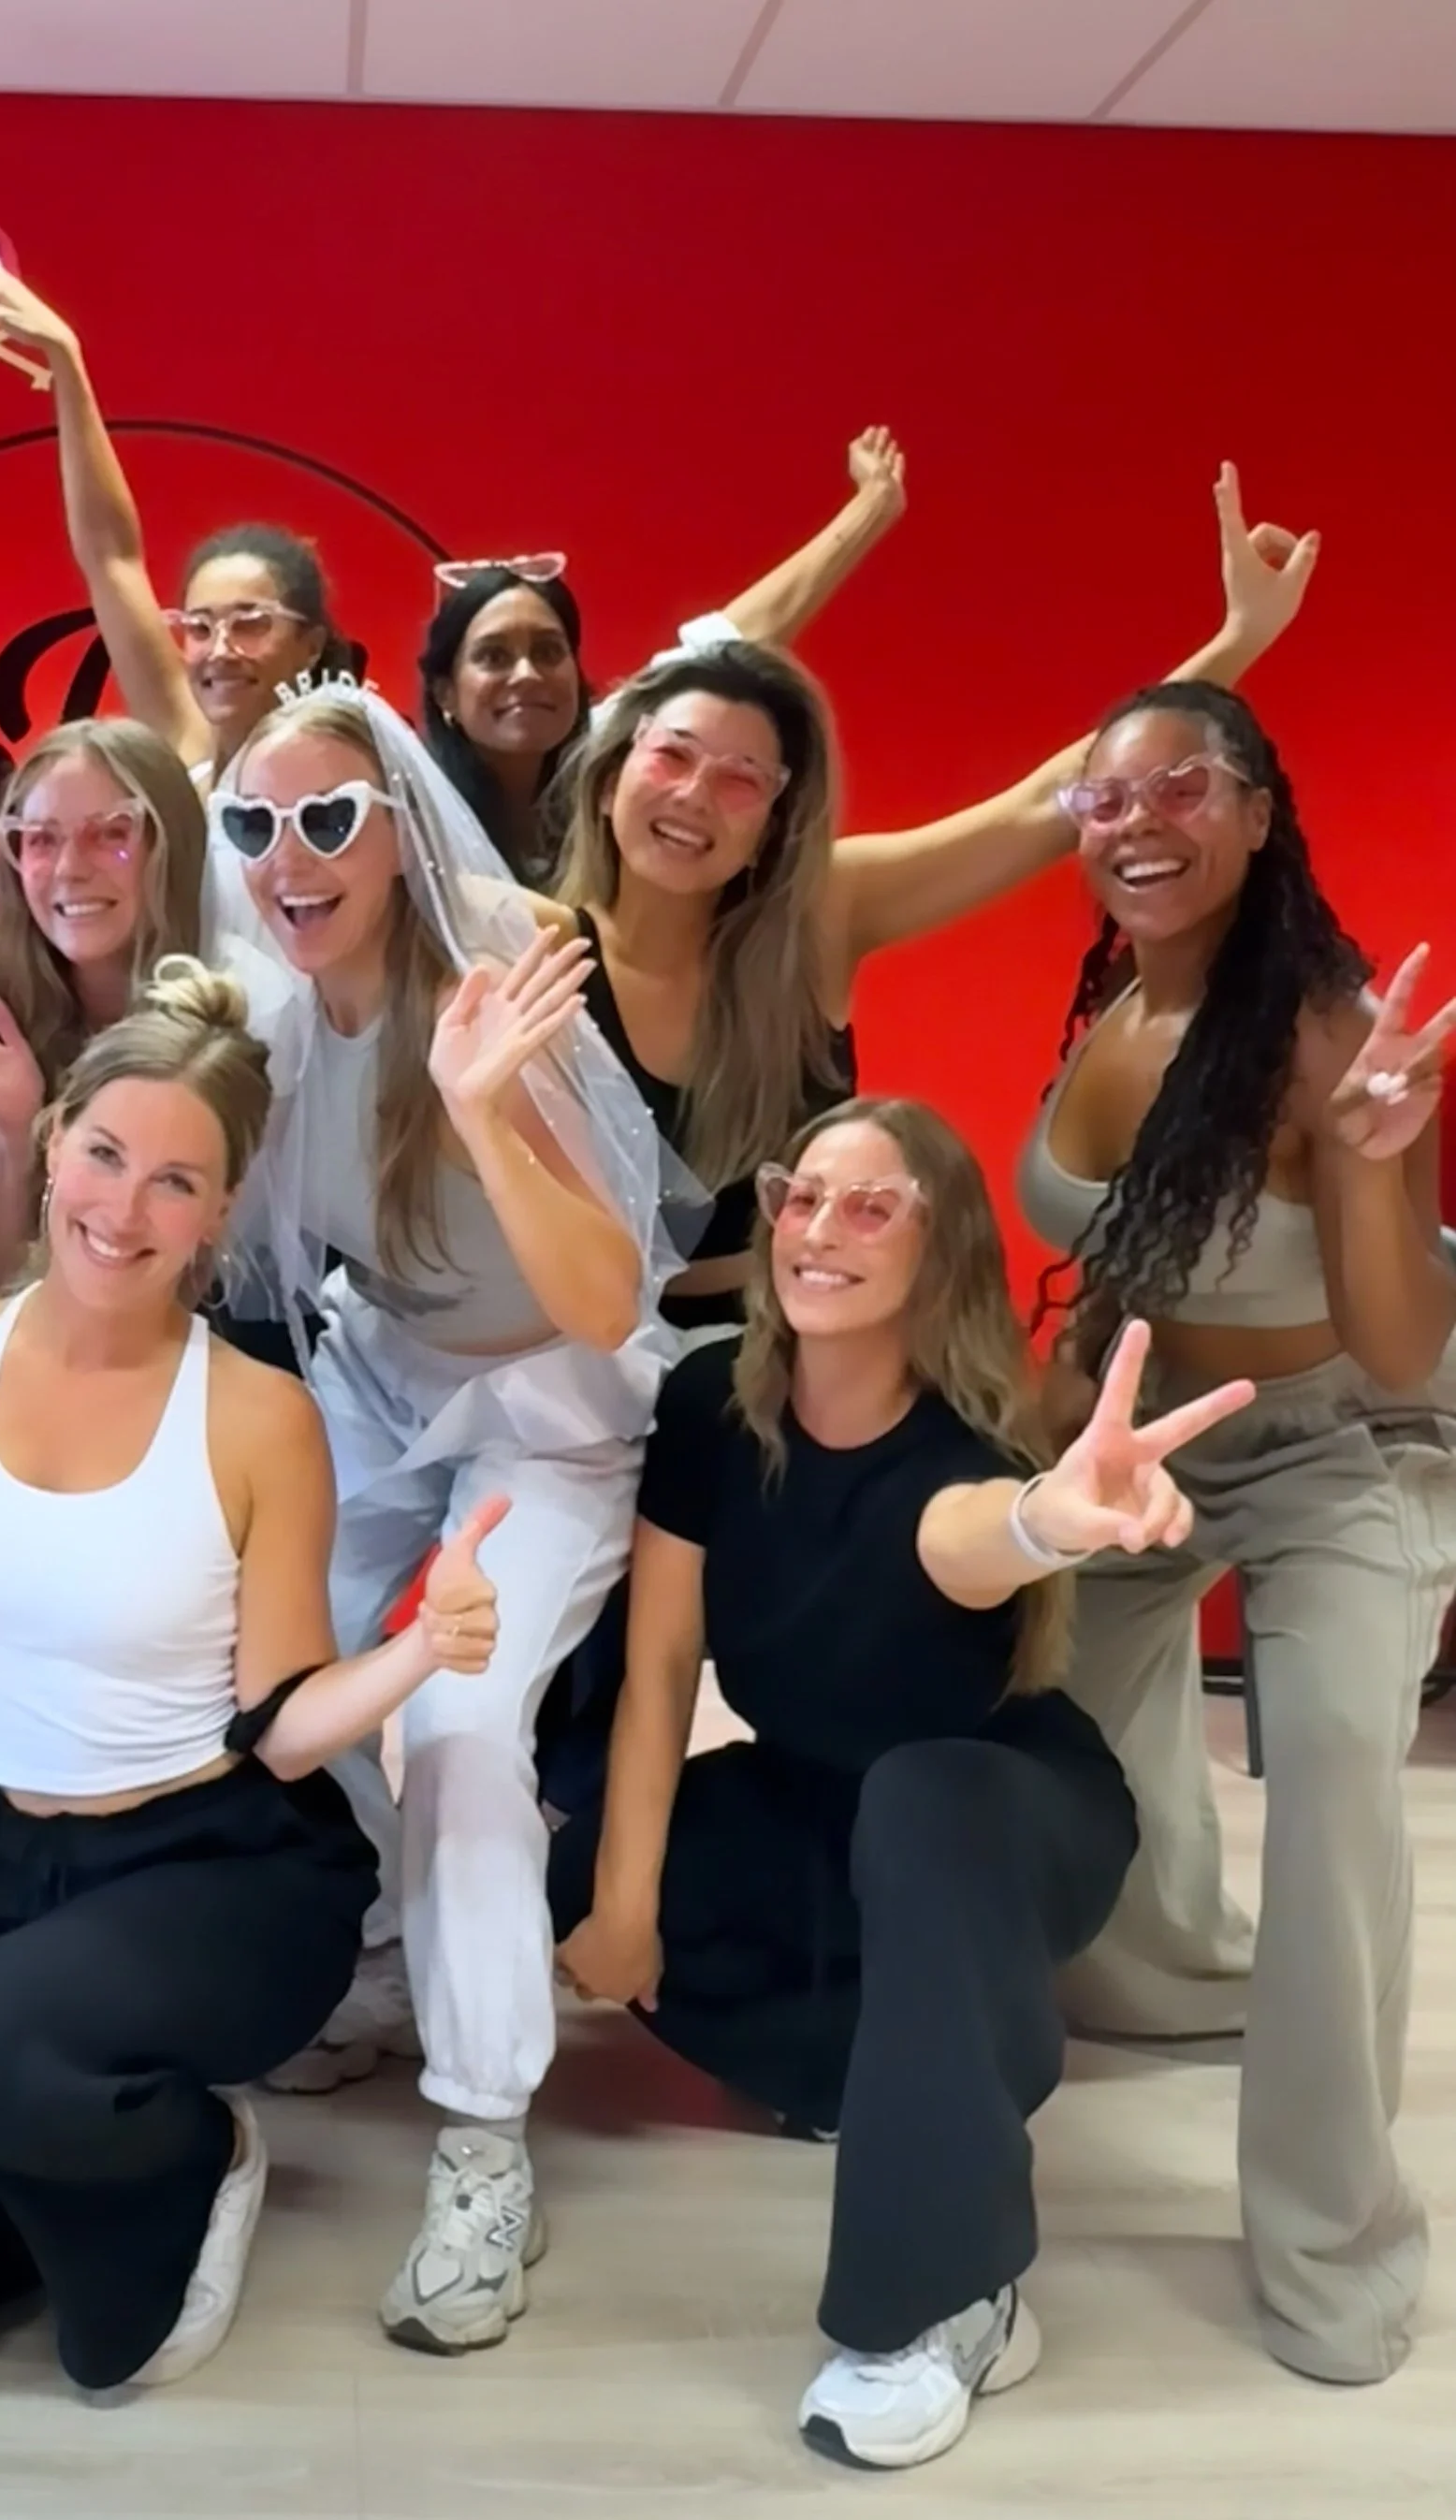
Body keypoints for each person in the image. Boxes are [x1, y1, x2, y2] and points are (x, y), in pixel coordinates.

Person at [0, 958, 511, 2393]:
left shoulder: (261, 1417)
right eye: (103, 1154)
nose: (122, 1206)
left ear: (218, 1214)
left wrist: (414, 1650)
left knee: (84, 2292)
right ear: (53, 1144)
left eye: (174, 1182)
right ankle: (34, 2130)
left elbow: (279, 1729)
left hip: (215, 1877)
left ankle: (195, 2150)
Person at [524, 466, 1319, 1817]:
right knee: (575, 1685)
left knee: (892, 1602)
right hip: (598, 1369)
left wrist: (1229, 649)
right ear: (612, 769)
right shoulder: (533, 947)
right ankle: (592, 1876)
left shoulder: (816, 913)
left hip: (804, 1356)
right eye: (672, 757)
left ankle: (931, 1837)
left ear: (778, 813)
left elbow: (1046, 806)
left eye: (743, 779)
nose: (697, 797)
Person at [550, 1099, 1249, 2465]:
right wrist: (626, 1901)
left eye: (872, 1206)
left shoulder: (964, 1450)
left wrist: (1059, 1515)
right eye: (802, 1195)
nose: (819, 1229)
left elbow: (975, 1538)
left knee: (920, 1805)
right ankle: (896, 2082)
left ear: (943, 1253)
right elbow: (660, 1670)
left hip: (996, 1807)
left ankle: (942, 2299)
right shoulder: (710, 1406)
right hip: (821, 1801)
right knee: (586, 1874)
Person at [203, 679, 689, 2349]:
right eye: (255, 825)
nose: (291, 855)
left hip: (551, 1410)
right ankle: (401, 1936)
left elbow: (607, 1284)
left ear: (396, 828)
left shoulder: (493, 987)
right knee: (273, 1658)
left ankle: (485, 2134)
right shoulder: (271, 1019)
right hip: (383, 1384)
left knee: (465, 1711)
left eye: (330, 817)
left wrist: (484, 1103)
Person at [1024, 680, 1456, 2384]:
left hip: (1352, 1435)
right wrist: (1052, 1414)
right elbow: (1131, 1258)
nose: (1134, 821)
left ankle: (1336, 2236)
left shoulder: (1325, 1034)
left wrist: (1366, 1162)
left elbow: (1401, 1333)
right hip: (1161, 1436)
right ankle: (1193, 1974)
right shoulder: (1120, 1005)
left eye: (1179, 788)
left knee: (1343, 1761)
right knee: (1040, 1686)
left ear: (1262, 811)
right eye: (1102, 797)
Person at [0, 716, 296, 1301]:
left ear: (171, 844)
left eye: (110, 834)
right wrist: (14, 1132)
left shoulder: (253, 1000)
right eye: (41, 839)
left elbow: (204, 1250)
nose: (70, 867)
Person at [0, 246, 359, 788]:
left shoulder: (356, 769)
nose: (221, 649)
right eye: (200, 626)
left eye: (250, 622)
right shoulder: (184, 736)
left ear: (311, 644)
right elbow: (111, 556)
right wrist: (66, 362)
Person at [417, 428, 908, 881]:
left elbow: (739, 634)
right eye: (493, 657)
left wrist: (872, 508)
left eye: (549, 651)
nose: (527, 674)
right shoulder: (409, 805)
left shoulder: (614, 752)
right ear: (445, 692)